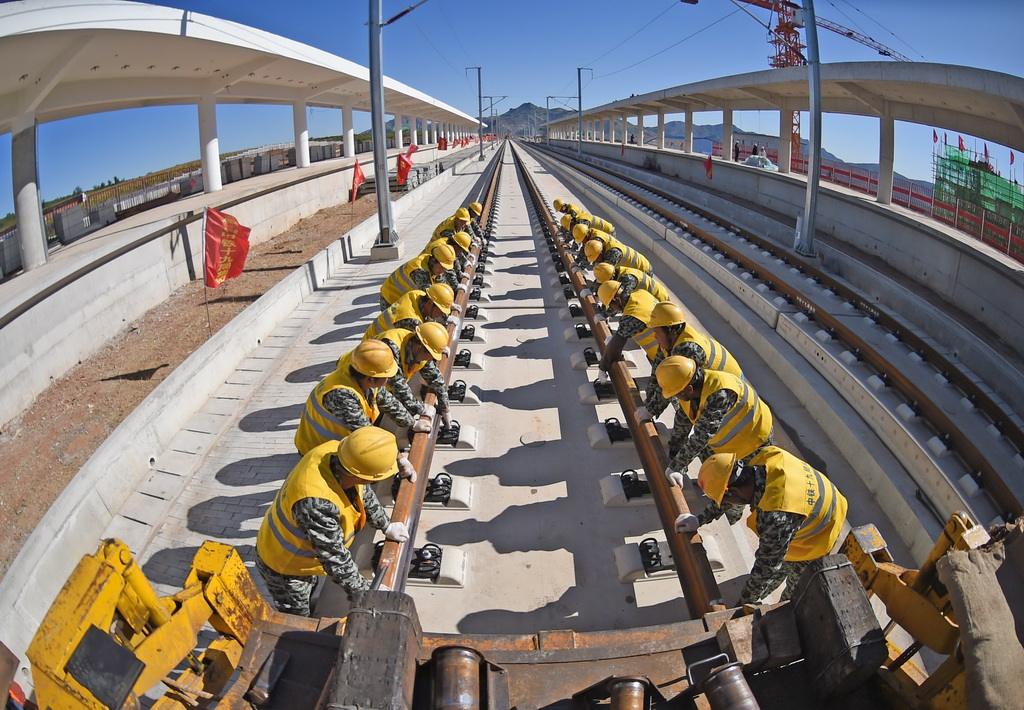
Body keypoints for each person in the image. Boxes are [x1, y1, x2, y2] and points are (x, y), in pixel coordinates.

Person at [255, 427, 411, 615]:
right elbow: (335, 558)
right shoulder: (317, 503)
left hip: (300, 554)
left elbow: (363, 492)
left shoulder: (338, 453)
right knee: (297, 616)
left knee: (311, 591)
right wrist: (366, 594)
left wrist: (385, 524)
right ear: (359, 476)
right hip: (284, 567)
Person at [674, 447, 848, 605]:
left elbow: (767, 567)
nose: (727, 503)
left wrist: (742, 606)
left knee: (795, 588)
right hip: (823, 497)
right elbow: (731, 493)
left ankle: (787, 606)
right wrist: (700, 519)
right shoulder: (764, 459)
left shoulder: (776, 514)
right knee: (776, 562)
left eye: (725, 499)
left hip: (822, 529)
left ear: (732, 492)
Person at [294, 340, 421, 473]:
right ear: (371, 378)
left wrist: (412, 423)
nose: (389, 380)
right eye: (386, 376)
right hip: (317, 451)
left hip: (334, 444)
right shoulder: (341, 395)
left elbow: (388, 401)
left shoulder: (363, 376)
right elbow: (367, 435)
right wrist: (399, 458)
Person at [655, 355, 773, 488]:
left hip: (752, 443)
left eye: (677, 394)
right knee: (712, 473)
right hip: (724, 441)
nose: (676, 398)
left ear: (689, 389)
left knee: (734, 490)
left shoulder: (720, 394)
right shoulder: (691, 388)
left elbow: (702, 436)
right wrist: (674, 453)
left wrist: (676, 466)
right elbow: (683, 418)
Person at [641, 301, 743, 423]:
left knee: (697, 418)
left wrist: (650, 411)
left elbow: (672, 382)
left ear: (671, 330)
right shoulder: (670, 339)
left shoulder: (687, 349)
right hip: (706, 383)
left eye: (657, 332)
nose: (654, 336)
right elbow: (658, 373)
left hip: (728, 386)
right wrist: (649, 402)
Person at [373, 323, 455, 429]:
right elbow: (398, 387)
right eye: (430, 354)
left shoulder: (420, 352)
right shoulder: (390, 349)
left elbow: (435, 378)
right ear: (420, 346)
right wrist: (421, 410)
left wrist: (445, 407)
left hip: (378, 387)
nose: (430, 359)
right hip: (366, 383)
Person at [595, 281, 661, 373]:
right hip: (673, 346)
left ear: (616, 300)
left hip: (667, 356)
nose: (613, 309)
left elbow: (615, 346)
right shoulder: (641, 293)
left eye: (611, 306)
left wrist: (603, 368)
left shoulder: (633, 315)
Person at [379, 244, 459, 310]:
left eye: (445, 269)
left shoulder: (432, 265)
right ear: (434, 261)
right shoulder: (420, 271)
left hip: (403, 296)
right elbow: (430, 296)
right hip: (391, 297)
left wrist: (450, 303)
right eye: (441, 267)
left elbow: (441, 286)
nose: (442, 271)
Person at [364, 284, 456, 340]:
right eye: (440, 311)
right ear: (430, 303)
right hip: (373, 350)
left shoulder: (417, 294)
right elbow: (419, 352)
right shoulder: (412, 322)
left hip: (375, 340)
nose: (440, 315)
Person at [575, 226, 652, 274]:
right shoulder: (598, 246)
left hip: (644, 271)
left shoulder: (613, 254)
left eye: (596, 258)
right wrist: (577, 263)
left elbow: (605, 275)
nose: (596, 260)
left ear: (601, 252)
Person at [592, 262, 670, 301]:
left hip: (659, 299)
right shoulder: (617, 272)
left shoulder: (627, 280)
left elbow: (622, 301)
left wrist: (604, 314)